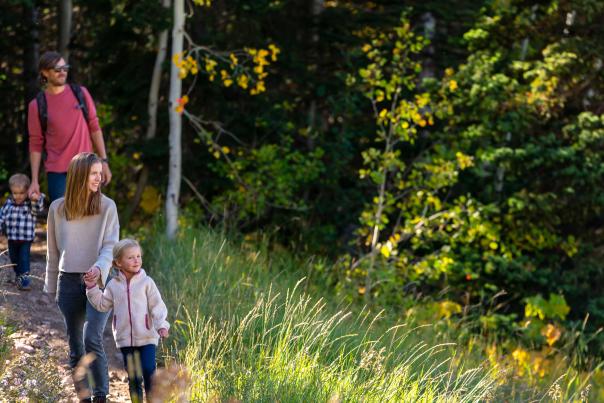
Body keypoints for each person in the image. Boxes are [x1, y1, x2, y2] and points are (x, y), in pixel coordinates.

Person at [44, 152, 119, 403]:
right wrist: (50, 287)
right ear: (79, 175)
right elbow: (52, 252)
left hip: (100, 281)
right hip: (68, 282)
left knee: (92, 338)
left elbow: (111, 246)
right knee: (76, 346)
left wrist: (99, 269)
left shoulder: (108, 206)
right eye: (94, 174)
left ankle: (101, 396)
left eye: (100, 173)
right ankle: (83, 398)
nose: (100, 178)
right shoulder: (57, 208)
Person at [85, 238, 169, 402]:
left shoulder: (147, 283)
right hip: (125, 340)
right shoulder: (113, 285)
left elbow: (157, 306)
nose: (136, 260)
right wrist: (91, 287)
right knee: (134, 377)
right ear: (118, 263)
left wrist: (161, 325)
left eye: (138, 256)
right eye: (130, 257)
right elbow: (102, 305)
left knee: (148, 371)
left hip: (147, 337)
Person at [28, 51, 112, 203]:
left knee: (89, 218)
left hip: (86, 167)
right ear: (45, 73)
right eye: (57, 69)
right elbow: (35, 143)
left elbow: (94, 127)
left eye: (65, 68)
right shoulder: (37, 105)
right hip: (57, 173)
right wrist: (34, 180)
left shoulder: (80, 93)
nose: (62, 72)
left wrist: (104, 161)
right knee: (63, 221)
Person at [0, 173, 45, 290]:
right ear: (11, 192)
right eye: (15, 193)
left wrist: (35, 199)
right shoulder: (8, 204)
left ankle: (24, 282)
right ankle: (18, 276)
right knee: (14, 259)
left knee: (24, 259)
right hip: (12, 238)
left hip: (26, 239)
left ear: (27, 192)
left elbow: (38, 209)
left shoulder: (30, 204)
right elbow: (1, 218)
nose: (18, 196)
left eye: (21, 193)